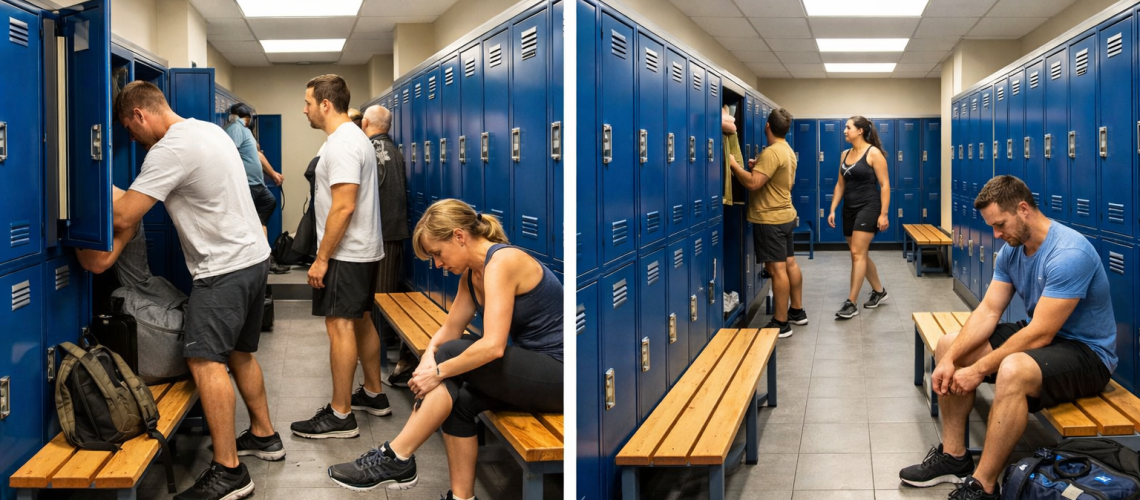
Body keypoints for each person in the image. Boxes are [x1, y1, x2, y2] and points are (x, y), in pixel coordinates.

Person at [112, 81, 281, 500]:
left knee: (205, 361)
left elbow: (124, 215)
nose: (132, 140)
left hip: (222, 269)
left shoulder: (170, 149)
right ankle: (264, 435)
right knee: (240, 352)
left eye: (130, 131)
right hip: (253, 258)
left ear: (139, 115)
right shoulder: (208, 129)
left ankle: (229, 472)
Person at [326, 200, 563, 500]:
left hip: (563, 375)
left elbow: (493, 347)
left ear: (459, 236)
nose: (438, 264)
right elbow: (449, 330)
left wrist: (437, 371)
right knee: (458, 402)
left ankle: (397, 457)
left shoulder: (502, 262)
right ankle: (462, 498)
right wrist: (427, 362)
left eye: (437, 253)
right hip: (535, 372)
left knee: (452, 354)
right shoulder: (471, 275)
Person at [899, 175, 1117, 499]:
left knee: (1014, 369)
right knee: (949, 345)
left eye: (1000, 225)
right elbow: (988, 311)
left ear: (1024, 209)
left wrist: (977, 370)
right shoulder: (1013, 251)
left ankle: (983, 485)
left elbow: (1040, 334)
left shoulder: (1069, 253)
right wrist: (949, 359)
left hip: (1086, 352)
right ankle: (955, 456)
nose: (996, 235)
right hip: (1042, 338)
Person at [290, 74, 390, 440]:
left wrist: (321, 259)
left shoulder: (344, 144)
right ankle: (375, 394)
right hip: (360, 251)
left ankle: (340, 414)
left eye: (308, 103)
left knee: (339, 325)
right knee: (360, 320)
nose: (305, 109)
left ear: (326, 105)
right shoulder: (351, 138)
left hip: (346, 254)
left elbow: (344, 206)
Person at [728, 107, 807, 338]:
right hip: (786, 216)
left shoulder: (772, 152)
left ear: (767, 126)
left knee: (776, 269)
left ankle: (781, 323)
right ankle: (797, 311)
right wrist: (758, 167)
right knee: (790, 263)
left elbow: (753, 184)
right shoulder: (787, 151)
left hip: (770, 219)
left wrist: (734, 165)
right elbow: (784, 183)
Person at [360, 104, 414, 387]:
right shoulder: (390, 148)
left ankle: (378, 352)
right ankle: (377, 349)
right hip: (389, 232)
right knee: (382, 294)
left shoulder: (373, 150)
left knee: (381, 297)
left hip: (383, 233)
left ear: (366, 121)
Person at [827, 116, 890, 319]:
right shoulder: (844, 154)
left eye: (848, 127)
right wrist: (832, 209)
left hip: (869, 207)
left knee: (857, 253)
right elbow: (840, 185)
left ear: (860, 130)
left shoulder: (873, 153)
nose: (845, 131)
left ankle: (851, 303)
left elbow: (885, 185)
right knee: (859, 253)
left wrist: (883, 214)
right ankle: (879, 291)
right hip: (850, 208)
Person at [224, 102, 283, 238]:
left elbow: (258, 154)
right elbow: (230, 154)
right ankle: (256, 250)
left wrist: (273, 174)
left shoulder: (246, 131)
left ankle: (261, 240)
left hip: (257, 184)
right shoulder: (235, 128)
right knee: (245, 221)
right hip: (247, 184)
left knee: (269, 202)